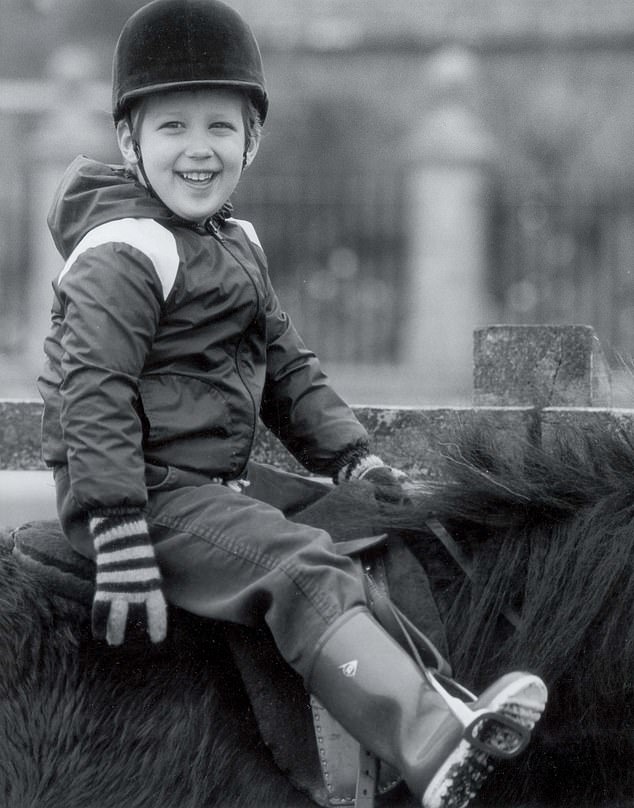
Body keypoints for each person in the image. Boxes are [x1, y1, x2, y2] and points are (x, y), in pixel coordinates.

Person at [37, 2, 547, 806]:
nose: (199, 149)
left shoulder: (233, 248)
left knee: (358, 528)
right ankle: (425, 740)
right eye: (172, 128)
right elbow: (90, 392)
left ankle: (436, 696)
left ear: (253, 140)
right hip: (143, 494)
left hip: (207, 489)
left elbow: (286, 367)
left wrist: (350, 455)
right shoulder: (126, 254)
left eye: (221, 127)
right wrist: (117, 522)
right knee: (297, 569)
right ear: (130, 142)